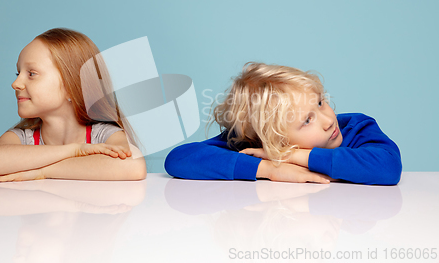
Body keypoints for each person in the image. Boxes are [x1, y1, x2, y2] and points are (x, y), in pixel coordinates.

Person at [165, 62, 402, 185]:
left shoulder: (355, 127)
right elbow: (178, 159)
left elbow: (388, 167)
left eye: (320, 103)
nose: (330, 120)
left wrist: (292, 156)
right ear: (272, 139)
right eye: (307, 120)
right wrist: (269, 169)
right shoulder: (254, 144)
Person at [0, 28, 146, 182]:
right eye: (18, 73)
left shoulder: (102, 134)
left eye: (31, 74)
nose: (16, 83)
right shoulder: (22, 138)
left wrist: (42, 171)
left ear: (72, 87)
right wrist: (75, 150)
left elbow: (134, 165)